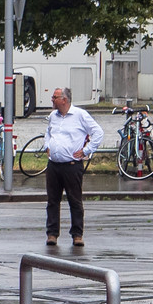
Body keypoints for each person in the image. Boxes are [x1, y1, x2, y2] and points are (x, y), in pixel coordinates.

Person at [43, 87, 104, 249]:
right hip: (54, 165)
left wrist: (86, 151)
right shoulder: (53, 117)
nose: (52, 100)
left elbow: (98, 132)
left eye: (55, 97)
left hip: (72, 166)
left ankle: (77, 234)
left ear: (64, 100)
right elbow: (48, 132)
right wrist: (47, 146)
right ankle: (52, 233)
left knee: (75, 200)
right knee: (52, 201)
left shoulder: (80, 115)